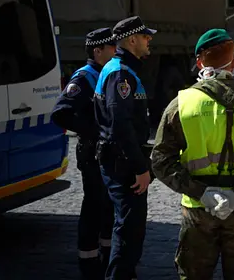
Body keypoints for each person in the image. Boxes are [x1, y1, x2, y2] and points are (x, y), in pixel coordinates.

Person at [150, 28, 234, 279]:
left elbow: (160, 161)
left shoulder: (181, 104)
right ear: (233, 63)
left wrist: (202, 192)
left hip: (198, 210)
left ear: (199, 62)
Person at [94, 16, 156, 280]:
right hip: (124, 165)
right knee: (128, 232)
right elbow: (120, 125)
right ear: (132, 40)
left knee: (128, 230)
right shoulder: (120, 73)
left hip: (120, 161)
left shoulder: (121, 69)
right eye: (145, 36)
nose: (149, 40)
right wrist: (141, 168)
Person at [51, 28, 117, 280]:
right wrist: (94, 131)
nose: (115, 52)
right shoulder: (84, 78)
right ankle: (89, 263)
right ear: (98, 51)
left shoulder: (106, 73)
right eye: (111, 48)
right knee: (94, 206)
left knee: (108, 206)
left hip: (105, 153)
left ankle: (107, 257)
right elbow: (60, 112)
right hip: (91, 153)